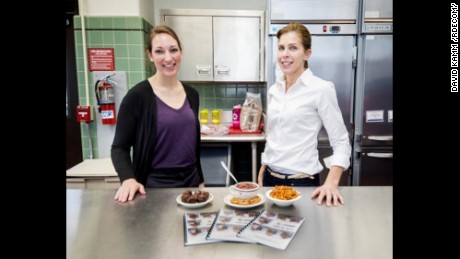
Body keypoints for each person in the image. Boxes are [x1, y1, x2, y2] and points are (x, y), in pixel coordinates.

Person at [257, 22, 351, 207]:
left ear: (307, 53)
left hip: (301, 182)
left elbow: (341, 141)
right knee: (268, 232)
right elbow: (274, 135)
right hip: (268, 179)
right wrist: (263, 167)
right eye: (281, 48)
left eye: (293, 48)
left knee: (304, 235)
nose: (285, 54)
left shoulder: (321, 89)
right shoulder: (274, 89)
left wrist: (331, 183)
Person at [111, 25, 205, 203]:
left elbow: (193, 144)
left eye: (173, 50)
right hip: (154, 184)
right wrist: (128, 179)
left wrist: (200, 179)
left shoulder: (192, 94)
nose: (168, 58)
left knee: (191, 230)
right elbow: (119, 148)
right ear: (150, 56)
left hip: (190, 181)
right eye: (159, 51)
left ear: (181, 53)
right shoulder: (137, 96)